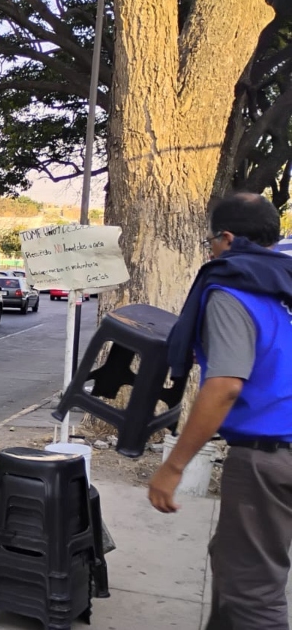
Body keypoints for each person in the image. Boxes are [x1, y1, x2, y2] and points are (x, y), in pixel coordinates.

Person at [151, 193, 292, 630]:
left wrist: (173, 467)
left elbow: (225, 386)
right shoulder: (283, 287)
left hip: (268, 457)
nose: (211, 250)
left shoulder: (233, 290)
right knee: (233, 562)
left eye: (211, 241)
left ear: (227, 238)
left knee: (253, 590)